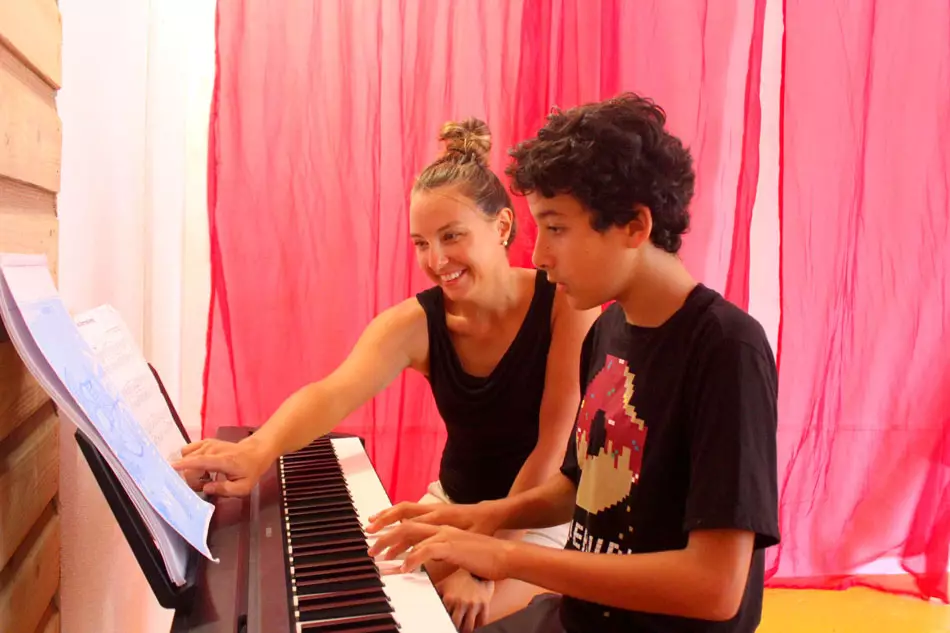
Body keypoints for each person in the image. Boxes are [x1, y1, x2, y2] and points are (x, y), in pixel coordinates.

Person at [364, 93, 781, 633]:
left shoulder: (726, 349)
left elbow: (716, 587)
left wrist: (504, 557)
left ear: (634, 226)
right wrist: (477, 518)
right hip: (578, 616)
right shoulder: (608, 329)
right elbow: (580, 485)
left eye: (556, 228)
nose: (539, 256)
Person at [173, 118, 601, 631]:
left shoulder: (565, 303)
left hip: (538, 525)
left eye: (452, 236)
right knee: (371, 599)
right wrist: (256, 451)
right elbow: (332, 393)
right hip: (454, 507)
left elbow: (552, 449)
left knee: (453, 618)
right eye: (421, 243)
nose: (436, 259)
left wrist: (481, 569)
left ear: (502, 227)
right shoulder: (416, 323)